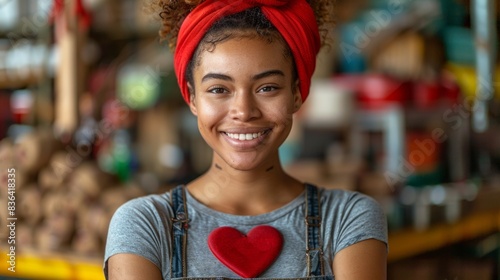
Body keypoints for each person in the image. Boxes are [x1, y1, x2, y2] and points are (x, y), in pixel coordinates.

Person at [104, 0, 388, 279]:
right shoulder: (145, 225)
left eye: (267, 87)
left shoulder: (347, 219)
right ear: (192, 97)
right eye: (218, 89)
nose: (244, 112)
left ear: (297, 93)